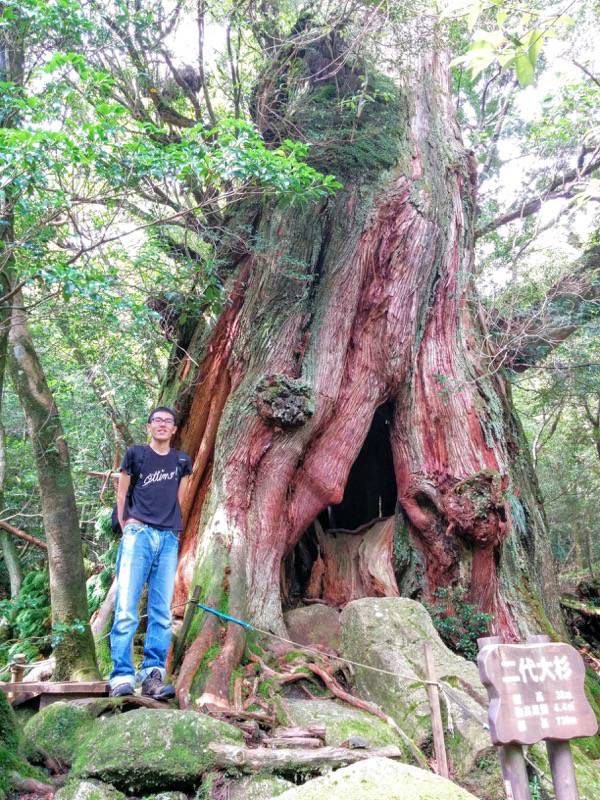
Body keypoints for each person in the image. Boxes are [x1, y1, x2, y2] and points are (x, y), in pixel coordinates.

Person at [109, 406, 192, 699]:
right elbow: (122, 493)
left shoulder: (182, 461)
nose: (162, 424)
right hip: (139, 534)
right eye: (157, 420)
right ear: (149, 427)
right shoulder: (136, 454)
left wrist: (170, 527)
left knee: (161, 611)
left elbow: (180, 499)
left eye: (168, 421)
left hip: (167, 538)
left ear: (174, 429)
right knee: (126, 607)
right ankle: (121, 676)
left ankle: (152, 676)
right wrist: (127, 525)